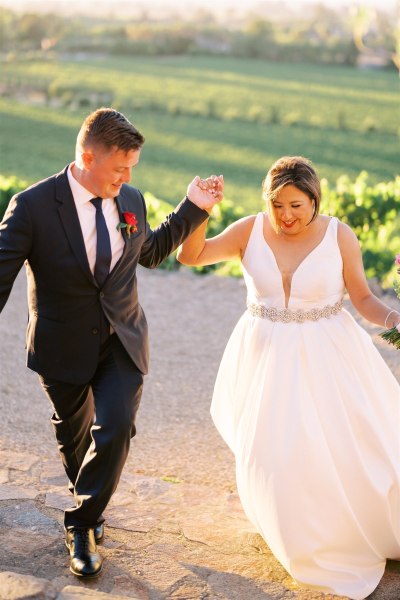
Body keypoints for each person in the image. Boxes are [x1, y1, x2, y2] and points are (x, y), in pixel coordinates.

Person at [0, 107, 222, 578]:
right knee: (75, 439)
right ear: (86, 156)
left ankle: (82, 524)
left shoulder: (131, 199)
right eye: (119, 168)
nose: (126, 177)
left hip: (123, 338)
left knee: (117, 427)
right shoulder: (33, 206)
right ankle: (89, 500)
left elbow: (151, 254)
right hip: (61, 345)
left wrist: (193, 208)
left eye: (131, 169)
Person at [177, 156, 400, 600]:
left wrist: (395, 319)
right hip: (265, 358)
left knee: (338, 446)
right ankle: (294, 530)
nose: (286, 216)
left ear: (314, 200)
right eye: (278, 205)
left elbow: (363, 298)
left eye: (296, 205)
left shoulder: (339, 236)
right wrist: (199, 210)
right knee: (273, 454)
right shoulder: (249, 230)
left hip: (329, 356)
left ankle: (344, 528)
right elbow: (192, 254)